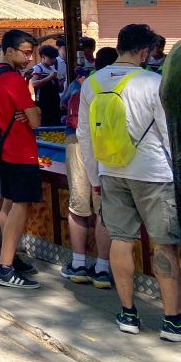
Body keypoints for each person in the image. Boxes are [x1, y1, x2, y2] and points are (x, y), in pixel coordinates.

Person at [78, 24, 180, 341]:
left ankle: (128, 313)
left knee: (121, 240)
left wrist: (94, 177)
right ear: (144, 51)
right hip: (153, 174)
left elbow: (85, 136)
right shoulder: (152, 82)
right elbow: (168, 133)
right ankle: (172, 321)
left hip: (111, 171)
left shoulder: (92, 83)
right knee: (164, 244)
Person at [0, 29, 42, 289]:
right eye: (26, 53)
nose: (29, 58)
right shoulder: (14, 80)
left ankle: (9, 256)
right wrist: (35, 110)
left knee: (8, 205)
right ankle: (5, 266)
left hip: (4, 148)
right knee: (20, 206)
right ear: (9, 51)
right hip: (21, 150)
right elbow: (35, 120)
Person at [59, 47, 116, 289]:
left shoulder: (84, 83)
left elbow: (64, 103)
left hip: (78, 143)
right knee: (104, 209)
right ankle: (102, 269)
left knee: (78, 206)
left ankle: (79, 264)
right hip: (109, 145)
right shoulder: (130, 82)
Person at [31, 45, 62, 126]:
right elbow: (33, 84)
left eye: (54, 58)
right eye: (51, 58)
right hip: (43, 103)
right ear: (43, 56)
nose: (53, 60)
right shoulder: (38, 68)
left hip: (54, 103)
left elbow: (60, 89)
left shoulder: (53, 69)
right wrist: (49, 78)